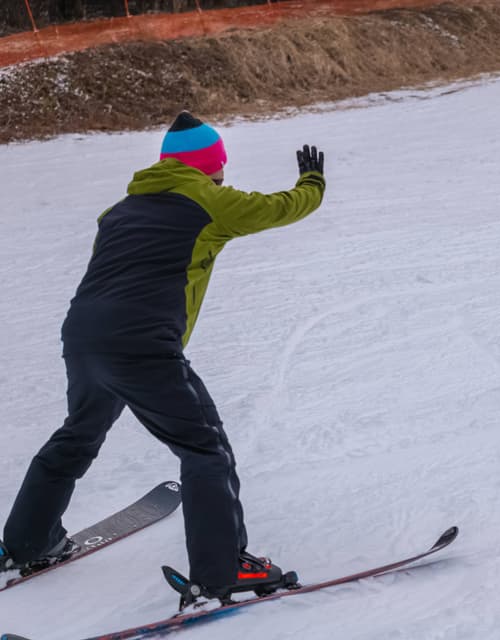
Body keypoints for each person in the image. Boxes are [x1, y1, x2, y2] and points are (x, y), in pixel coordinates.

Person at [0, 111, 326, 608]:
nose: (223, 173)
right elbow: (279, 208)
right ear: (209, 166)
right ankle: (221, 571)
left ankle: (26, 543)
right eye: (219, 165)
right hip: (143, 346)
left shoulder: (118, 211)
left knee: (78, 435)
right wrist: (312, 184)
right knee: (205, 449)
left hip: (84, 337)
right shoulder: (211, 201)